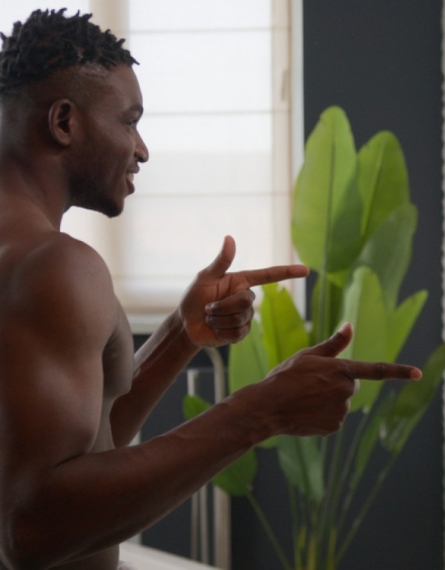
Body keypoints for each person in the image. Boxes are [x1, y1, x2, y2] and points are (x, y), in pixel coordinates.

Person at [0, 8, 422, 570]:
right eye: (129, 122)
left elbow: (83, 443)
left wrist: (181, 333)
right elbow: (32, 531)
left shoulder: (22, 256)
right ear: (63, 122)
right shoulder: (56, 266)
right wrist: (260, 411)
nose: (142, 149)